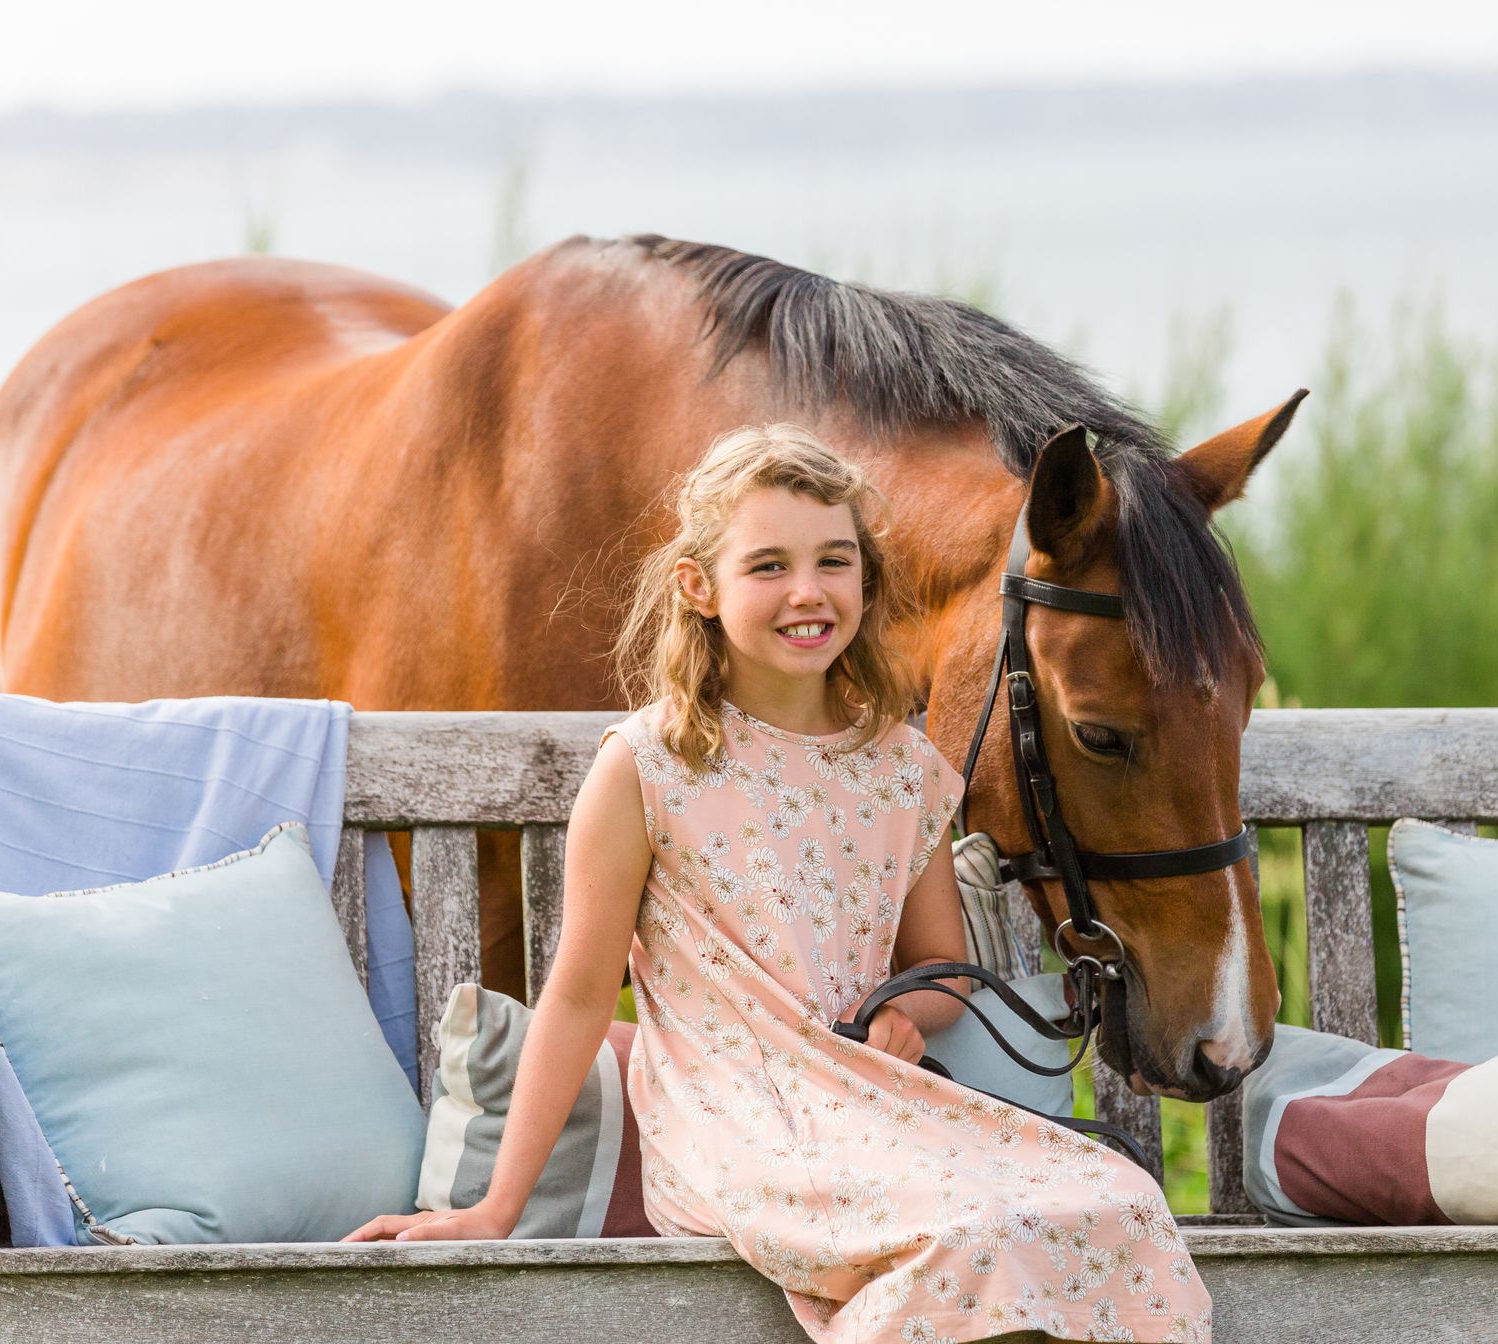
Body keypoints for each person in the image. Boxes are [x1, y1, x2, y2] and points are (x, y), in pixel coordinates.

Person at [344, 424, 1212, 1343]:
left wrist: (909, 1013)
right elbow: (578, 995)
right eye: (768, 567)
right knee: (971, 1235)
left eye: (834, 561)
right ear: (698, 588)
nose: (808, 593)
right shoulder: (648, 767)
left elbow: (944, 968)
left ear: (864, 580)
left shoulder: (897, 767)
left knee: (1116, 1199)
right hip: (736, 1123)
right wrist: (494, 1207)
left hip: (876, 1103)